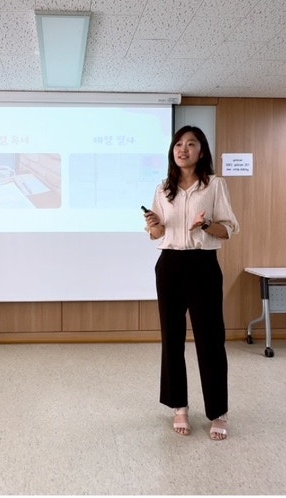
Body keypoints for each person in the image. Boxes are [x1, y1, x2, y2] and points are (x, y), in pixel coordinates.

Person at [144, 125, 239, 441]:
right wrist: (155, 225)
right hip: (169, 264)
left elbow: (229, 229)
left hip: (203, 265)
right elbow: (157, 234)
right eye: (178, 144)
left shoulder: (215, 185)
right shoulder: (163, 188)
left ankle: (218, 412)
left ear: (202, 151)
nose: (182, 149)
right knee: (171, 338)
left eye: (191, 144)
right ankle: (179, 407)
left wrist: (207, 224)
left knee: (210, 340)